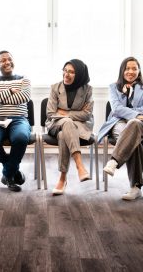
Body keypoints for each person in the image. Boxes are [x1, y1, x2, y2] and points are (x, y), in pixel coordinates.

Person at [98, 57, 143, 201]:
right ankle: (136, 187)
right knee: (134, 141)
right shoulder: (113, 87)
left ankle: (114, 161)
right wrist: (137, 115)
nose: (130, 71)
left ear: (139, 72)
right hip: (119, 123)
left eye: (134, 68)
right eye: (127, 68)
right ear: (122, 70)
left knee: (133, 124)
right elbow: (116, 109)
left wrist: (135, 117)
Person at [0, 50, 31, 192]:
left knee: (21, 138)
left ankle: (8, 175)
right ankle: (12, 169)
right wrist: (10, 91)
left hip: (19, 119)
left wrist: (0, 97)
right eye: (3, 60)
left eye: (9, 59)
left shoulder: (24, 79)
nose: (7, 62)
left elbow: (24, 98)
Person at [46, 59, 93, 195]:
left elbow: (87, 114)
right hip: (55, 124)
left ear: (79, 75)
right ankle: (80, 166)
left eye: (71, 72)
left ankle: (62, 178)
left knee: (63, 135)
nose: (66, 74)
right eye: (65, 70)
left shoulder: (87, 90)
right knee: (66, 123)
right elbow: (50, 113)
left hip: (78, 127)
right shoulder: (55, 87)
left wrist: (65, 113)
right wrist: (73, 115)